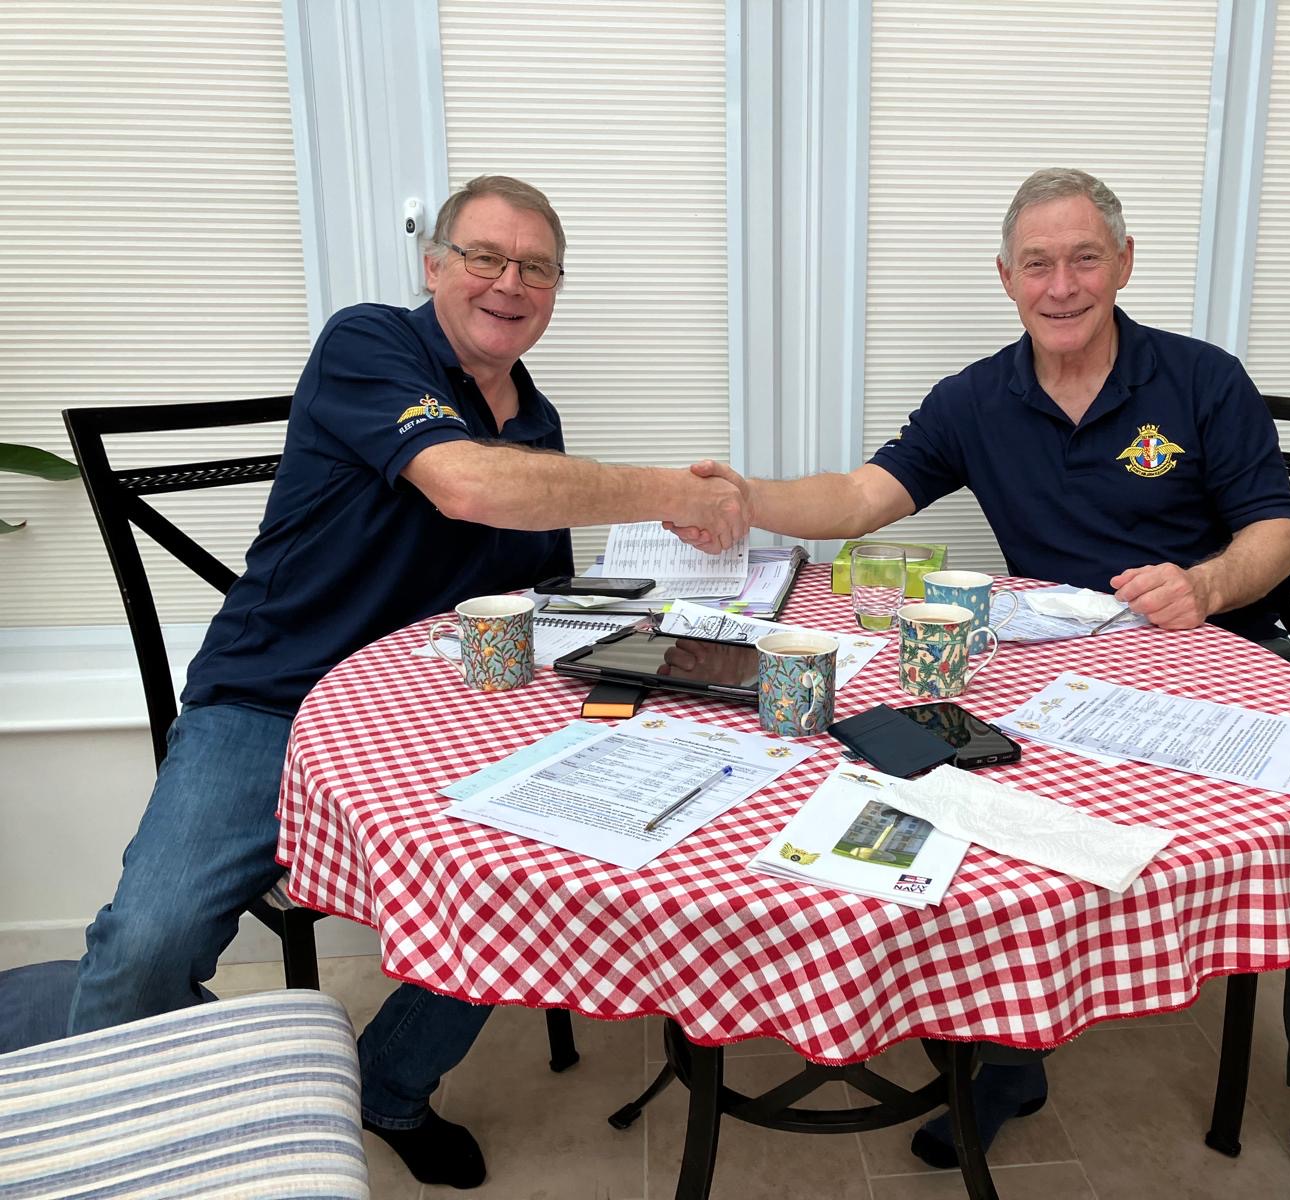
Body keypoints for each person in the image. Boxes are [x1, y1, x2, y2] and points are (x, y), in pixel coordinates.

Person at [8, 174, 748, 1190]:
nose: (509, 282)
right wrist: (672, 492)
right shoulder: (368, 341)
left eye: (535, 267)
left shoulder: (536, 418)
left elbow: (533, 595)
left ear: (554, 291)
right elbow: (465, 483)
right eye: (485, 256)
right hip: (270, 697)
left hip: (432, 710)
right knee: (150, 941)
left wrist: (660, 633)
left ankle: (385, 1086)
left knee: (529, 881)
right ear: (435, 266)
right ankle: (109, 1140)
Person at [673, 167, 1290, 1168]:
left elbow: (1274, 532)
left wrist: (1204, 584)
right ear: (1006, 277)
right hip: (1048, 676)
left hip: (1211, 657)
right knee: (952, 814)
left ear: (1124, 263)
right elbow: (857, 497)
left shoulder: (1202, 379)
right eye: (1038, 264)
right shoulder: (976, 398)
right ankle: (1006, 1063)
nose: (1061, 286)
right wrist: (747, 497)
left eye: (1084, 259)